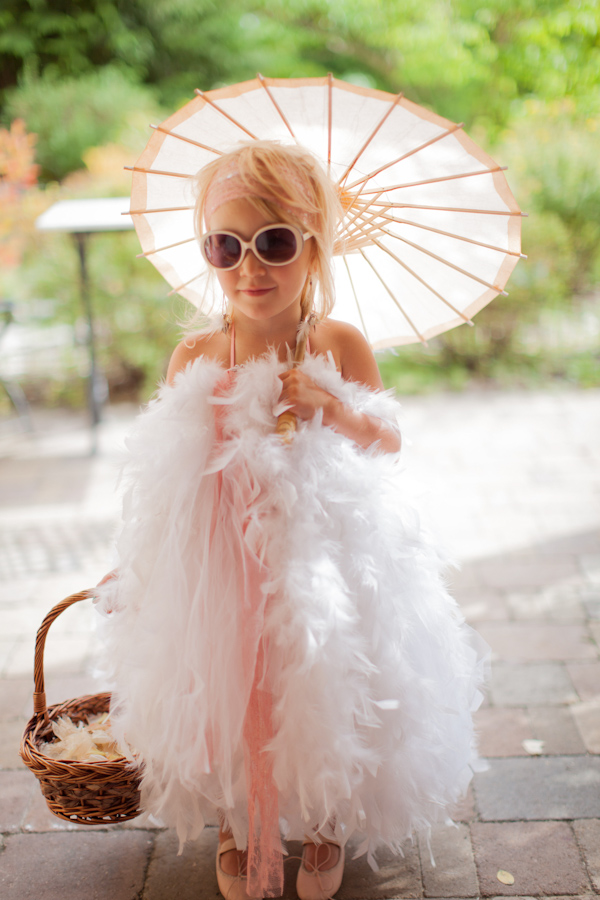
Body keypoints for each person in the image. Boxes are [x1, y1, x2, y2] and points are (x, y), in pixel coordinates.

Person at [96, 141, 487, 900]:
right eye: (226, 245)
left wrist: (332, 408)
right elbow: (166, 478)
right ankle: (241, 824)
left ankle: (329, 817)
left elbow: (389, 438)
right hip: (221, 560)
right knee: (230, 685)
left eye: (273, 242)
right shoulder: (198, 354)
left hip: (323, 556)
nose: (251, 268)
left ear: (314, 247)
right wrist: (142, 561)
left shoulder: (336, 344)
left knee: (322, 679)